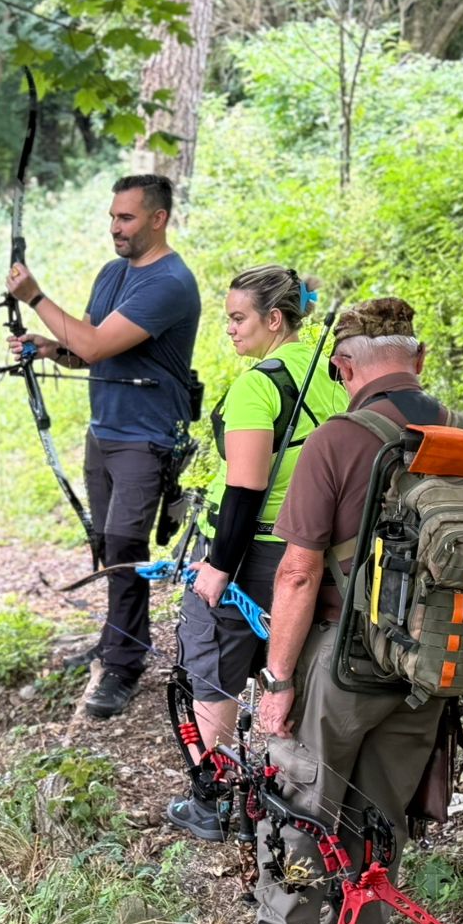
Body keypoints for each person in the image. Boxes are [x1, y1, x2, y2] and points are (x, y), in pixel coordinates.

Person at [244, 298, 463, 924]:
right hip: (433, 660)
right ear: (419, 359)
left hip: (346, 659)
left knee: (301, 805)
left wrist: (278, 681)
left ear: (343, 368)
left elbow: (298, 573)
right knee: (381, 812)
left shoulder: (336, 440)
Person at [7, 173, 201, 718]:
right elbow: (85, 351)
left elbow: (92, 343)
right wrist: (49, 347)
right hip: (105, 431)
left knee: (124, 545)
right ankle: (114, 642)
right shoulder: (112, 273)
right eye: (113, 216)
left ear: (158, 219)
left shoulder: (170, 282)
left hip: (147, 436)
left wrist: (35, 297)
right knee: (109, 544)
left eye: (127, 217)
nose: (115, 227)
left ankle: (123, 665)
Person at [167, 266, 347, 840]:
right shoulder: (332, 373)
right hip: (315, 548)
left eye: (238, 318)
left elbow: (245, 487)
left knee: (212, 663)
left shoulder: (258, 385)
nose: (229, 328)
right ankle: (287, 793)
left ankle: (217, 801)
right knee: (287, 667)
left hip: (252, 551)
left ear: (274, 319)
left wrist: (219, 566)